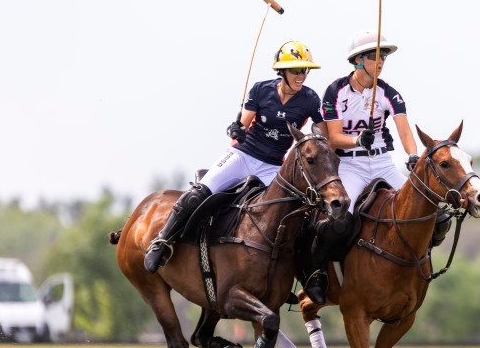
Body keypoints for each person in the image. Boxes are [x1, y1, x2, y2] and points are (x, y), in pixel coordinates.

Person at [143, 40, 327, 276]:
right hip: (243, 155)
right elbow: (241, 124)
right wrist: (236, 129)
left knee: (298, 216)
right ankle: (163, 240)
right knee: (198, 193)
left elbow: (322, 133)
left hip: (273, 167)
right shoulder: (261, 90)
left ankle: (302, 273)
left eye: (305, 70)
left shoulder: (310, 99)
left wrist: (314, 140)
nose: (302, 75)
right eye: (297, 70)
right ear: (282, 71)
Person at [303, 29, 421, 304]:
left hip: (382, 163)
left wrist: (413, 155)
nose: (380, 63)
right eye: (374, 57)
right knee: (339, 217)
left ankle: (417, 266)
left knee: (422, 208)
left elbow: (404, 130)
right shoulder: (335, 91)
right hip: (350, 164)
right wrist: (357, 139)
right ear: (358, 61)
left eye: (383, 58)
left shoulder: (389, 93)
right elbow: (333, 138)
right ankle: (317, 272)